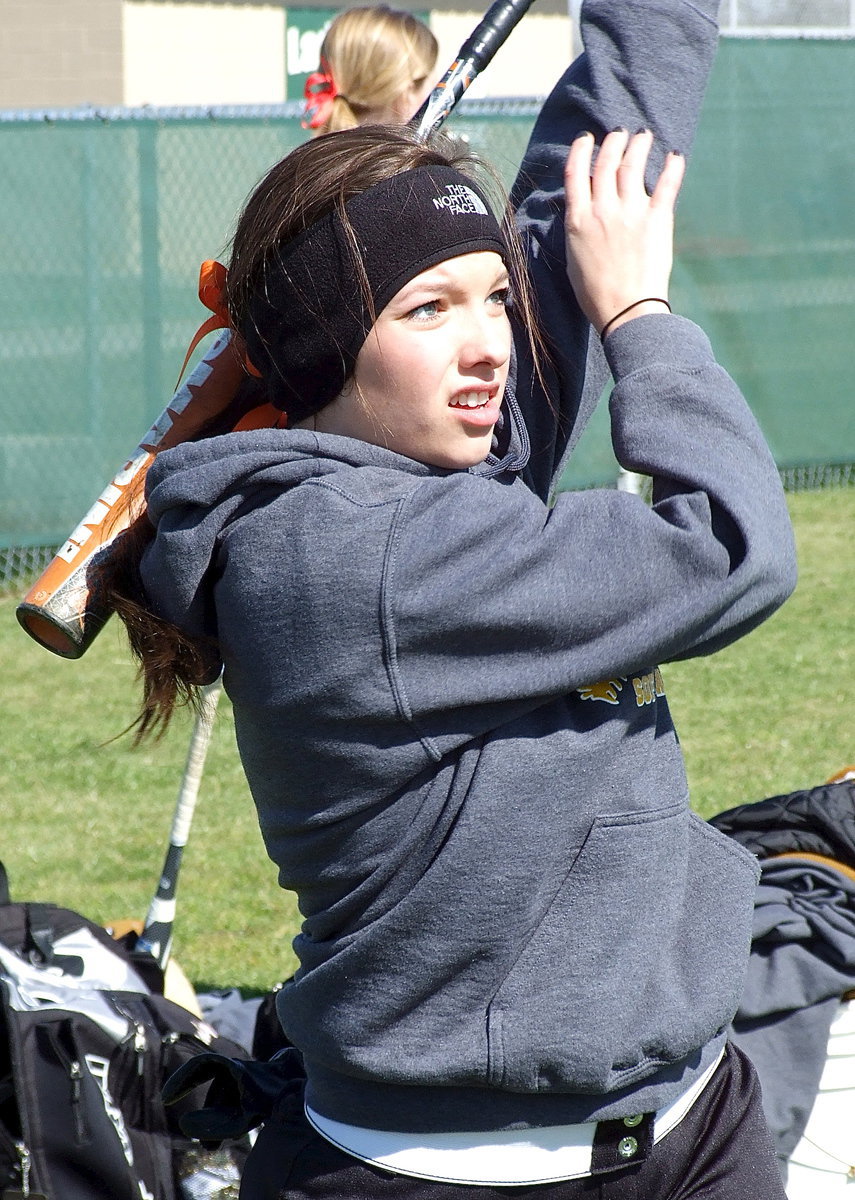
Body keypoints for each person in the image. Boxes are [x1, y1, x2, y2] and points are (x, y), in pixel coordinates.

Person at [106, 0, 798, 1196]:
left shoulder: (425, 456)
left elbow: (569, 206)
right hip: (456, 1172)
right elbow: (733, 547)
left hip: (687, 1125)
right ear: (330, 350)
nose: (489, 343)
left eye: (493, 297)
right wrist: (642, 314)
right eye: (431, 311)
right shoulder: (352, 560)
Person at [302, 5, 438, 134]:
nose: (435, 85)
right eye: (426, 79)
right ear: (405, 92)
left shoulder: (309, 156)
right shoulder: (415, 157)